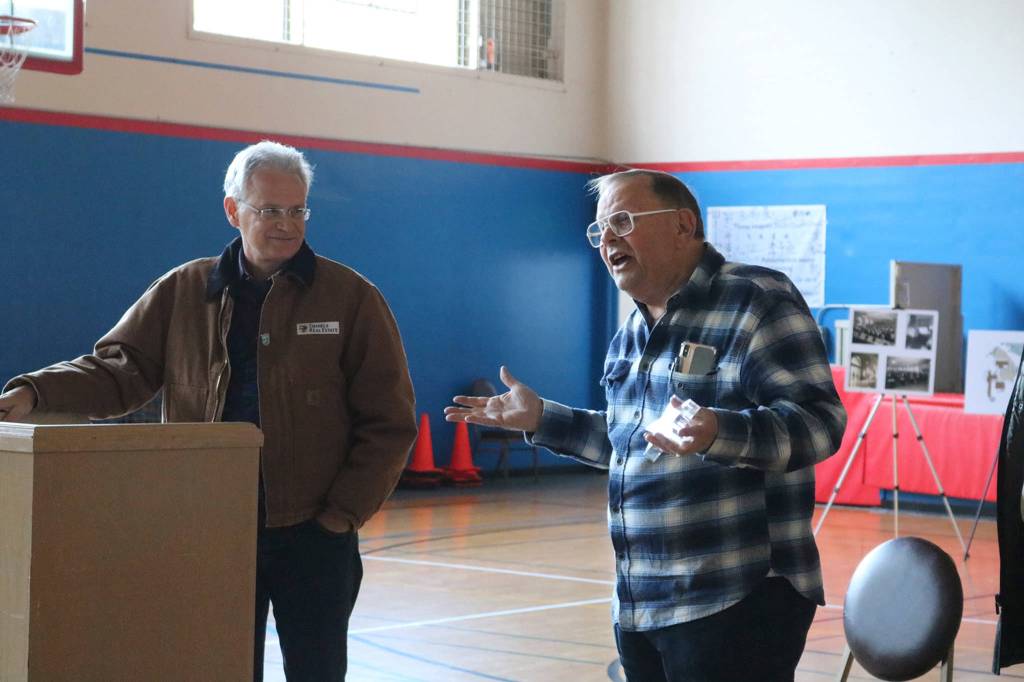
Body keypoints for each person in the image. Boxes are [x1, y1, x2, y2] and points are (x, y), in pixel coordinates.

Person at [0, 140, 418, 682]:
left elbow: (389, 422)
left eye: (298, 210)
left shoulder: (352, 299)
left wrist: (340, 517)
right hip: (210, 531)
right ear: (233, 210)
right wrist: (36, 391)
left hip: (314, 538)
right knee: (215, 667)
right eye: (270, 210)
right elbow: (118, 370)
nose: (287, 225)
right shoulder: (183, 292)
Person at [445, 169, 846, 681]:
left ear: (683, 224)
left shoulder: (756, 299)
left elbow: (819, 423)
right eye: (599, 230)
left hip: (738, 596)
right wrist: (543, 419)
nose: (607, 239)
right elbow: (628, 447)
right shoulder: (631, 335)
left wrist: (717, 431)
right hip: (641, 603)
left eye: (622, 221)